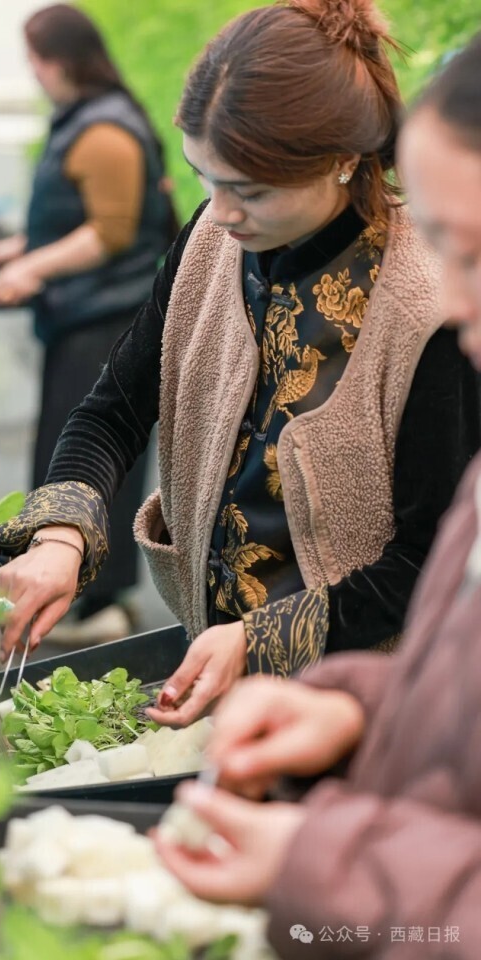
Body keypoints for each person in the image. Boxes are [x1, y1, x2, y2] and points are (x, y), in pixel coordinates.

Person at [0, 0, 479, 715]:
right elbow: (113, 411)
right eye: (204, 177)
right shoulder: (212, 241)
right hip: (212, 670)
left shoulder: (431, 309)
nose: (220, 210)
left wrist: (256, 640)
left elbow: (429, 562)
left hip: (354, 703)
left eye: (250, 189)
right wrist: (61, 535)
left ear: (341, 160)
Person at [154, 32, 481, 959]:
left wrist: (322, 863)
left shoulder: (418, 321)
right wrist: (361, 709)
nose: (455, 301)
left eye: (471, 254)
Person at [0, 4, 176, 642]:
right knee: (67, 447)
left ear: (64, 61)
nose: (33, 73)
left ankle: (99, 605)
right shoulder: (86, 121)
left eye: (37, 60)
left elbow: (111, 232)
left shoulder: (104, 131)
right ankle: (77, 595)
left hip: (105, 317)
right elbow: (85, 215)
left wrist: (34, 266)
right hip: (84, 312)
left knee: (92, 452)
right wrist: (26, 246)